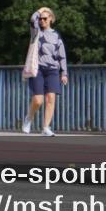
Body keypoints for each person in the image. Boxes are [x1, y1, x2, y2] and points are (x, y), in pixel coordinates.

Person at [22, 7, 69, 137]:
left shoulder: (56, 36)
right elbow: (32, 19)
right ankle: (28, 119)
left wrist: (64, 73)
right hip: (38, 68)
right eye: (40, 18)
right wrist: (41, 9)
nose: (41, 20)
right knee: (38, 100)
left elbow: (62, 55)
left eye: (45, 18)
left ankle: (45, 127)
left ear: (51, 20)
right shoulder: (36, 32)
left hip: (53, 70)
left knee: (50, 99)